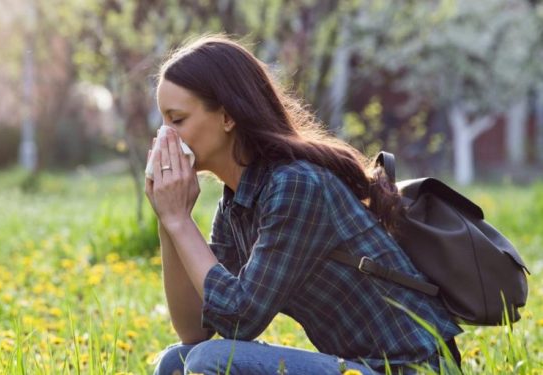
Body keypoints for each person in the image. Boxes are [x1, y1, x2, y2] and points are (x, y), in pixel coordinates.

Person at [144, 35, 463, 375]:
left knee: (210, 361)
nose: (166, 137)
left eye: (177, 121)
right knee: (174, 363)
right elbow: (195, 330)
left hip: (409, 369)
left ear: (226, 117)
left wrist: (180, 221)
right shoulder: (237, 204)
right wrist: (169, 222)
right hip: (358, 367)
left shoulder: (295, 184)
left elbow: (240, 319)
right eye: (163, 122)